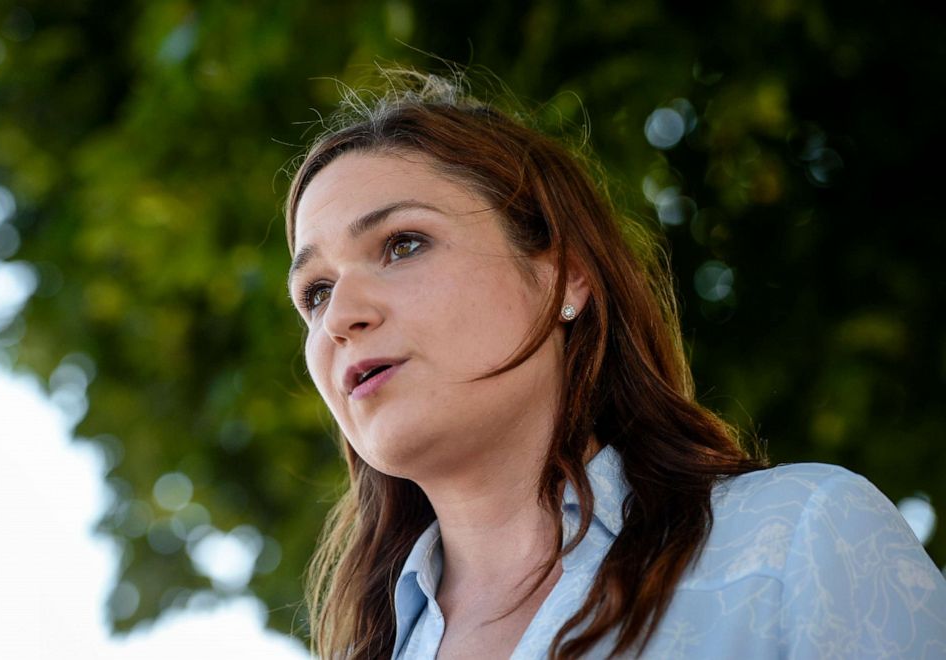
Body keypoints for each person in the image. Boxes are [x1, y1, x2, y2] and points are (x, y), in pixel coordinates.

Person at [283, 70, 946, 659]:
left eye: (403, 244)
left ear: (565, 276)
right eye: (315, 292)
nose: (340, 315)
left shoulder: (799, 542)